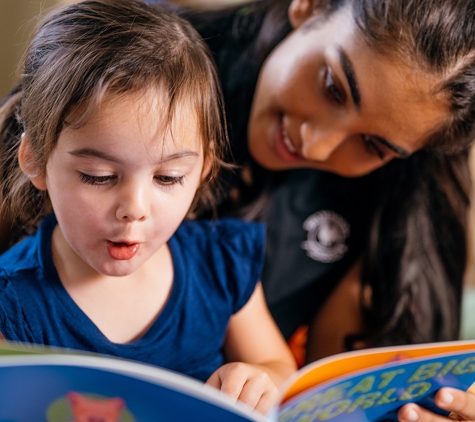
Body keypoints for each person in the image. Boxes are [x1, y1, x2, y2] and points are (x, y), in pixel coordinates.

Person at [170, 0, 475, 420]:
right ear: (310, 6)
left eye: (373, 146)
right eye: (333, 87)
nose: (315, 145)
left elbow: (331, 398)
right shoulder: (142, 65)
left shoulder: (389, 209)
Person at [0, 0, 297, 414]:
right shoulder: (12, 306)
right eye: (99, 176)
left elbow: (279, 367)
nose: (134, 209)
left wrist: (261, 379)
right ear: (35, 160)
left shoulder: (220, 263)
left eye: (168, 178)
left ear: (204, 167)